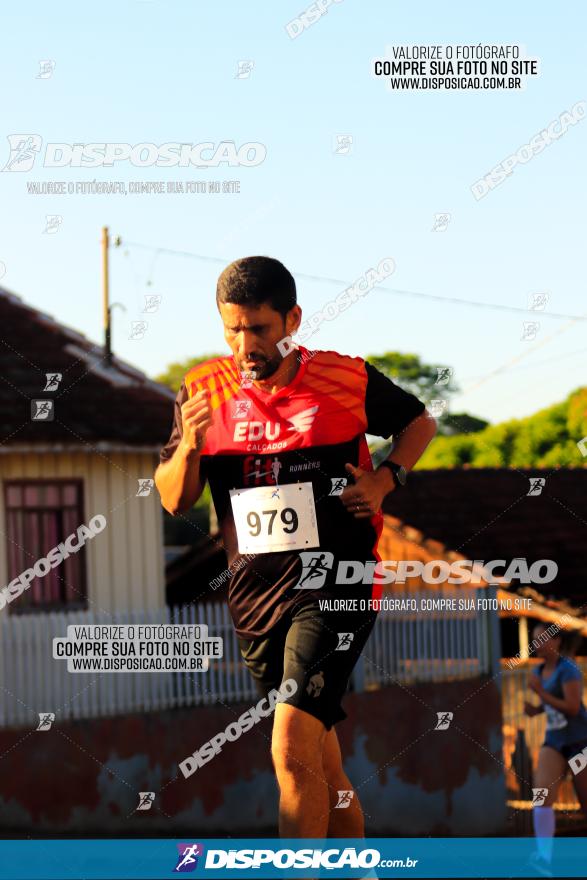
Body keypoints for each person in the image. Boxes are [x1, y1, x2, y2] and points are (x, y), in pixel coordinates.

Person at [155, 255, 437, 844]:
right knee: (322, 766)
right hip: (256, 598)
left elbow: (419, 422)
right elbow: (174, 500)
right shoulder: (203, 390)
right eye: (232, 328)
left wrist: (386, 479)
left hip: (338, 582)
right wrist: (190, 447)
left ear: (292, 319)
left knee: (288, 748)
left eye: (258, 328)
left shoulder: (345, 378)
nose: (244, 343)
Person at [524, 621, 587, 874]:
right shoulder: (538, 672)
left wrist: (541, 694)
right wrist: (536, 710)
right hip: (554, 741)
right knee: (541, 797)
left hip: (580, 742)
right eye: (535, 639)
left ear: (556, 641)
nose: (537, 644)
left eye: (542, 639)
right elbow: (551, 705)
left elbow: (572, 708)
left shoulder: (568, 669)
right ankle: (544, 859)